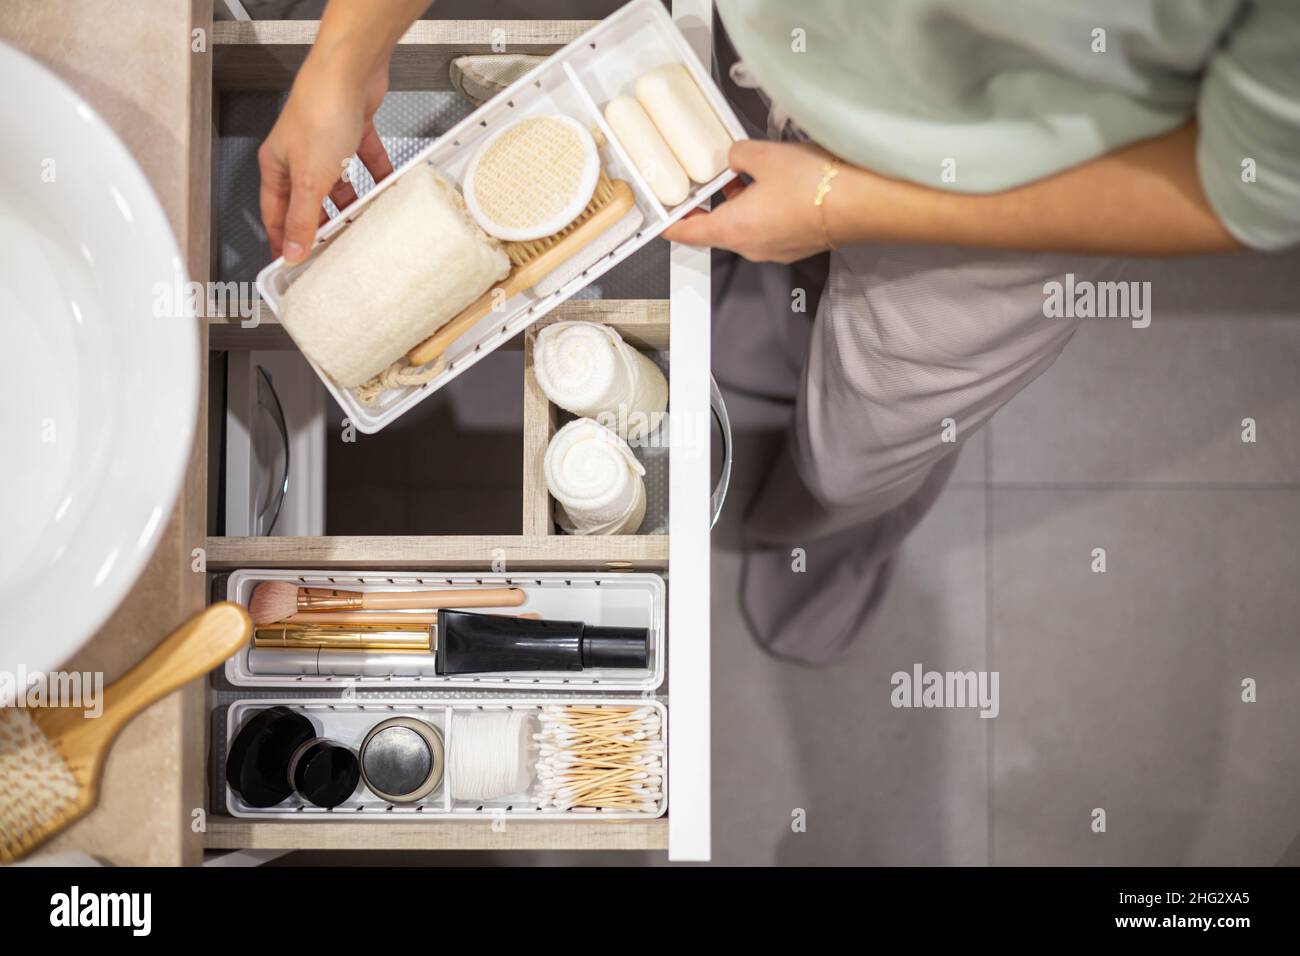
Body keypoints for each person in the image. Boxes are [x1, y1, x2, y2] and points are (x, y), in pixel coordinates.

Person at [260, 1, 1300, 664]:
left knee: (867, 440)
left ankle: (826, 534)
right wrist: (354, 41)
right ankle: (782, 309)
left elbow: (1245, 187)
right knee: (743, 262)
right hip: (742, 42)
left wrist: (843, 203)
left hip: (1006, 201)